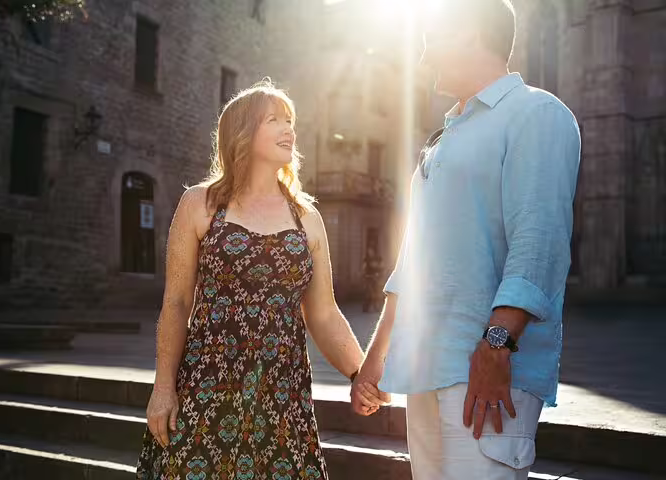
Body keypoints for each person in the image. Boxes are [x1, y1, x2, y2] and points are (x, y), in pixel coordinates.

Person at [351, 0, 581, 479]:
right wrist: (375, 360)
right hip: (427, 365)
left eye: (433, 40)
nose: (423, 58)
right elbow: (414, 262)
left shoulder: (536, 113)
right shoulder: (442, 140)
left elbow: (539, 244)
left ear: (471, 33)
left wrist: (495, 345)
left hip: (486, 368)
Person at [136, 80, 384, 479]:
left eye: (290, 120)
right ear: (243, 132)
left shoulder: (308, 218)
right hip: (207, 384)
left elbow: (323, 313)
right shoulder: (200, 204)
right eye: (275, 120)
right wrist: (163, 388)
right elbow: (177, 303)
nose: (289, 129)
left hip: (282, 393)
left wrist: (360, 373)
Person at [362, 246, 384, 313]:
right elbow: (364, 267)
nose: (370, 252)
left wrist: (379, 274)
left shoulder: (378, 258)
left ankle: (377, 306)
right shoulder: (366, 259)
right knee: (368, 292)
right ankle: (366, 307)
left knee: (376, 292)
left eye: (371, 250)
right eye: (369, 251)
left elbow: (381, 267)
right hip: (368, 277)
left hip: (375, 277)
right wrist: (364, 274)